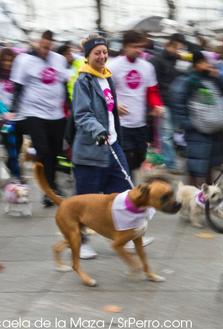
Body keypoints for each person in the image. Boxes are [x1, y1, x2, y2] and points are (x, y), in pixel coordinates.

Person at [72, 33, 132, 259]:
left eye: (105, 52)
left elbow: (104, 107)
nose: (102, 56)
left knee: (124, 192)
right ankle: (81, 241)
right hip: (91, 150)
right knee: (85, 200)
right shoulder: (83, 81)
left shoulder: (107, 77)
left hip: (113, 144)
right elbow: (82, 114)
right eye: (97, 52)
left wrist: (116, 107)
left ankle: (128, 234)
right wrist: (99, 130)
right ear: (87, 56)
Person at [10, 30, 68, 207]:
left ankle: (52, 184)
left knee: (56, 151)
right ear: (36, 43)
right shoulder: (24, 60)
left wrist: (70, 106)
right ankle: (48, 190)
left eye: (48, 47)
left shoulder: (59, 59)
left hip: (56, 114)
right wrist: (13, 111)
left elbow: (64, 85)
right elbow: (18, 87)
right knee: (43, 151)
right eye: (42, 46)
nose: (45, 50)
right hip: (34, 113)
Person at [108, 30, 164, 177]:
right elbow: (103, 92)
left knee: (139, 160)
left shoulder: (147, 67)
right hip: (121, 125)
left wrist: (156, 105)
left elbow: (152, 91)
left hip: (140, 124)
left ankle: (128, 188)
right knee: (126, 162)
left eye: (141, 47)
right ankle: (127, 194)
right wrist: (114, 105)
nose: (139, 50)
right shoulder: (113, 66)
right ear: (125, 46)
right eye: (134, 46)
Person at [172, 51, 223, 187]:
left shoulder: (211, 79)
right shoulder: (188, 81)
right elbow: (178, 103)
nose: (207, 65)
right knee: (194, 168)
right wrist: (188, 124)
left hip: (214, 132)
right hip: (196, 132)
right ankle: (191, 198)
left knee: (209, 167)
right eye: (204, 62)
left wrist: (217, 75)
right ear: (196, 64)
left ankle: (207, 199)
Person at [149, 33, 186, 174]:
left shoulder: (177, 60)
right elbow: (152, 85)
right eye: (177, 48)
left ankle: (166, 159)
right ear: (169, 45)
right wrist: (153, 105)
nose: (179, 51)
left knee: (173, 133)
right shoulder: (156, 61)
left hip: (176, 103)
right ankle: (170, 163)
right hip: (162, 103)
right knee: (167, 134)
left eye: (181, 49)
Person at [0, 47, 27, 181]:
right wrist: (5, 113)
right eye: (5, 60)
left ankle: (12, 165)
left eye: (10, 60)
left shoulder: (17, 75)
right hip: (4, 118)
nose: (8, 63)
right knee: (10, 144)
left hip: (18, 116)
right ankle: (16, 175)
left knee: (19, 144)